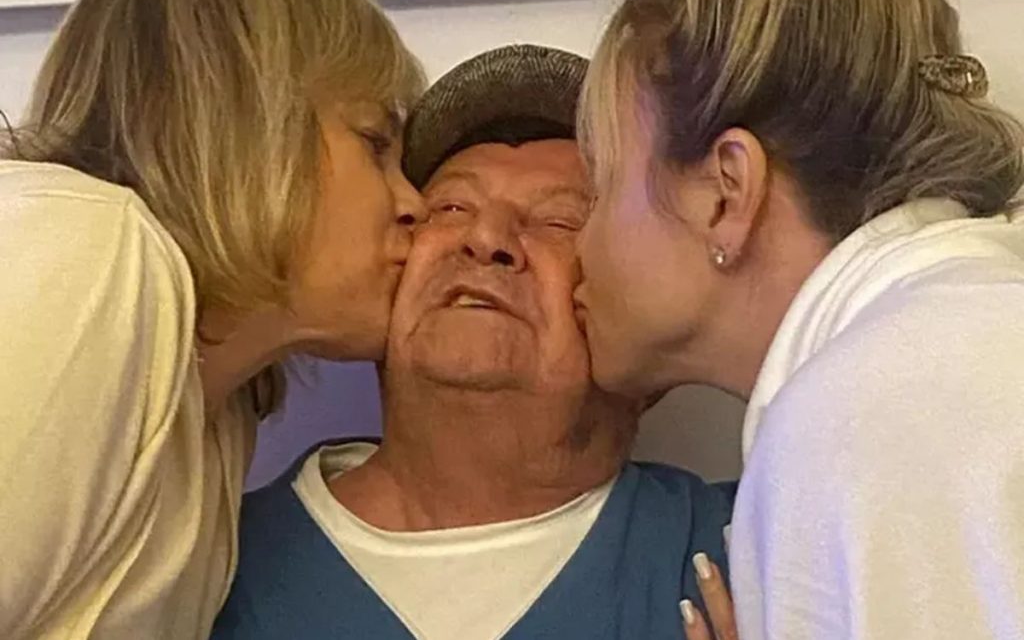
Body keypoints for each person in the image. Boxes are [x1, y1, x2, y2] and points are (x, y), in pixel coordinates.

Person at [212, 45, 735, 640]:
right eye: (451, 207)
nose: (486, 238)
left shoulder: (757, 551)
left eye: (559, 221)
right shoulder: (207, 566)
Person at [574, 0, 1024, 638]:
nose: (578, 245)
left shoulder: (863, 419)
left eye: (599, 185)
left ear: (726, 193)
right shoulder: (948, 346)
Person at [0, 0, 425, 637]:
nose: (413, 205)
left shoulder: (218, 420)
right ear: (249, 124)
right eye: (374, 143)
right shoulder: (93, 251)